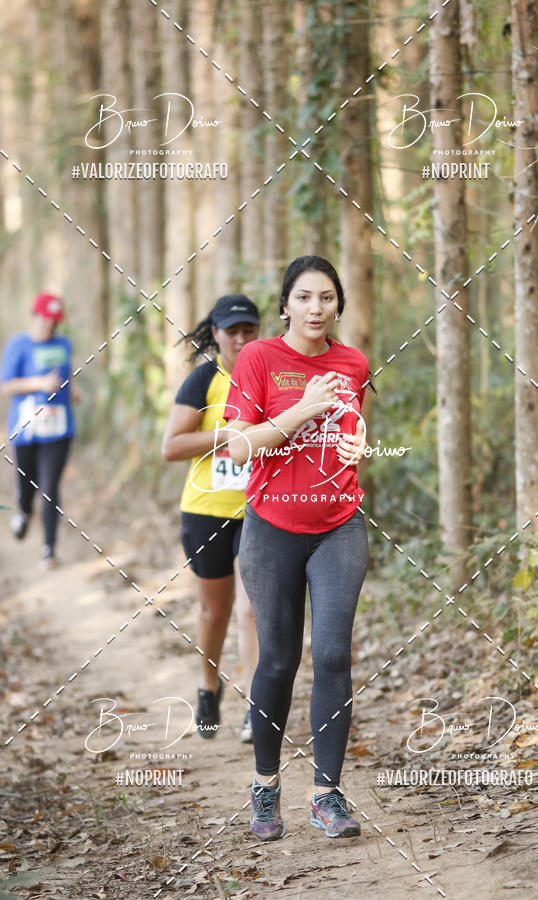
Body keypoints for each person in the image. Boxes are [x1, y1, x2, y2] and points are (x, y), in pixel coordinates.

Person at [225, 256, 371, 841]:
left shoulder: (352, 362)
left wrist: (358, 447)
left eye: (327, 298)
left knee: (333, 655)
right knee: (279, 661)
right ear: (284, 304)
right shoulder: (258, 358)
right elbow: (239, 447)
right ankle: (265, 788)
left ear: (338, 305)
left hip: (339, 524)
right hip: (271, 530)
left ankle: (327, 796)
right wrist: (305, 406)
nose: (316, 309)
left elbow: (352, 431)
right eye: (304, 298)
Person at [162, 295, 261, 744]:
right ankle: (208, 683)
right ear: (216, 333)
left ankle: (256, 708)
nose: (240, 339)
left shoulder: (270, 374)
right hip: (205, 512)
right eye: (232, 331)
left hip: (258, 511)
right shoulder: (204, 379)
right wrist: (226, 433)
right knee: (214, 611)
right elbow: (171, 447)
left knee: (251, 610)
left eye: (248, 330)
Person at [1, 293, 76, 569]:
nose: (50, 327)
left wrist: (72, 391)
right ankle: (23, 510)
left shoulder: (64, 345)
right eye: (47, 321)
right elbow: (6, 385)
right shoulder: (18, 345)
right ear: (35, 316)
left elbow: (64, 378)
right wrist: (38, 384)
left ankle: (49, 550)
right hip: (26, 430)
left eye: (55, 322)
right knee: (27, 487)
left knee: (50, 487)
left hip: (59, 429)